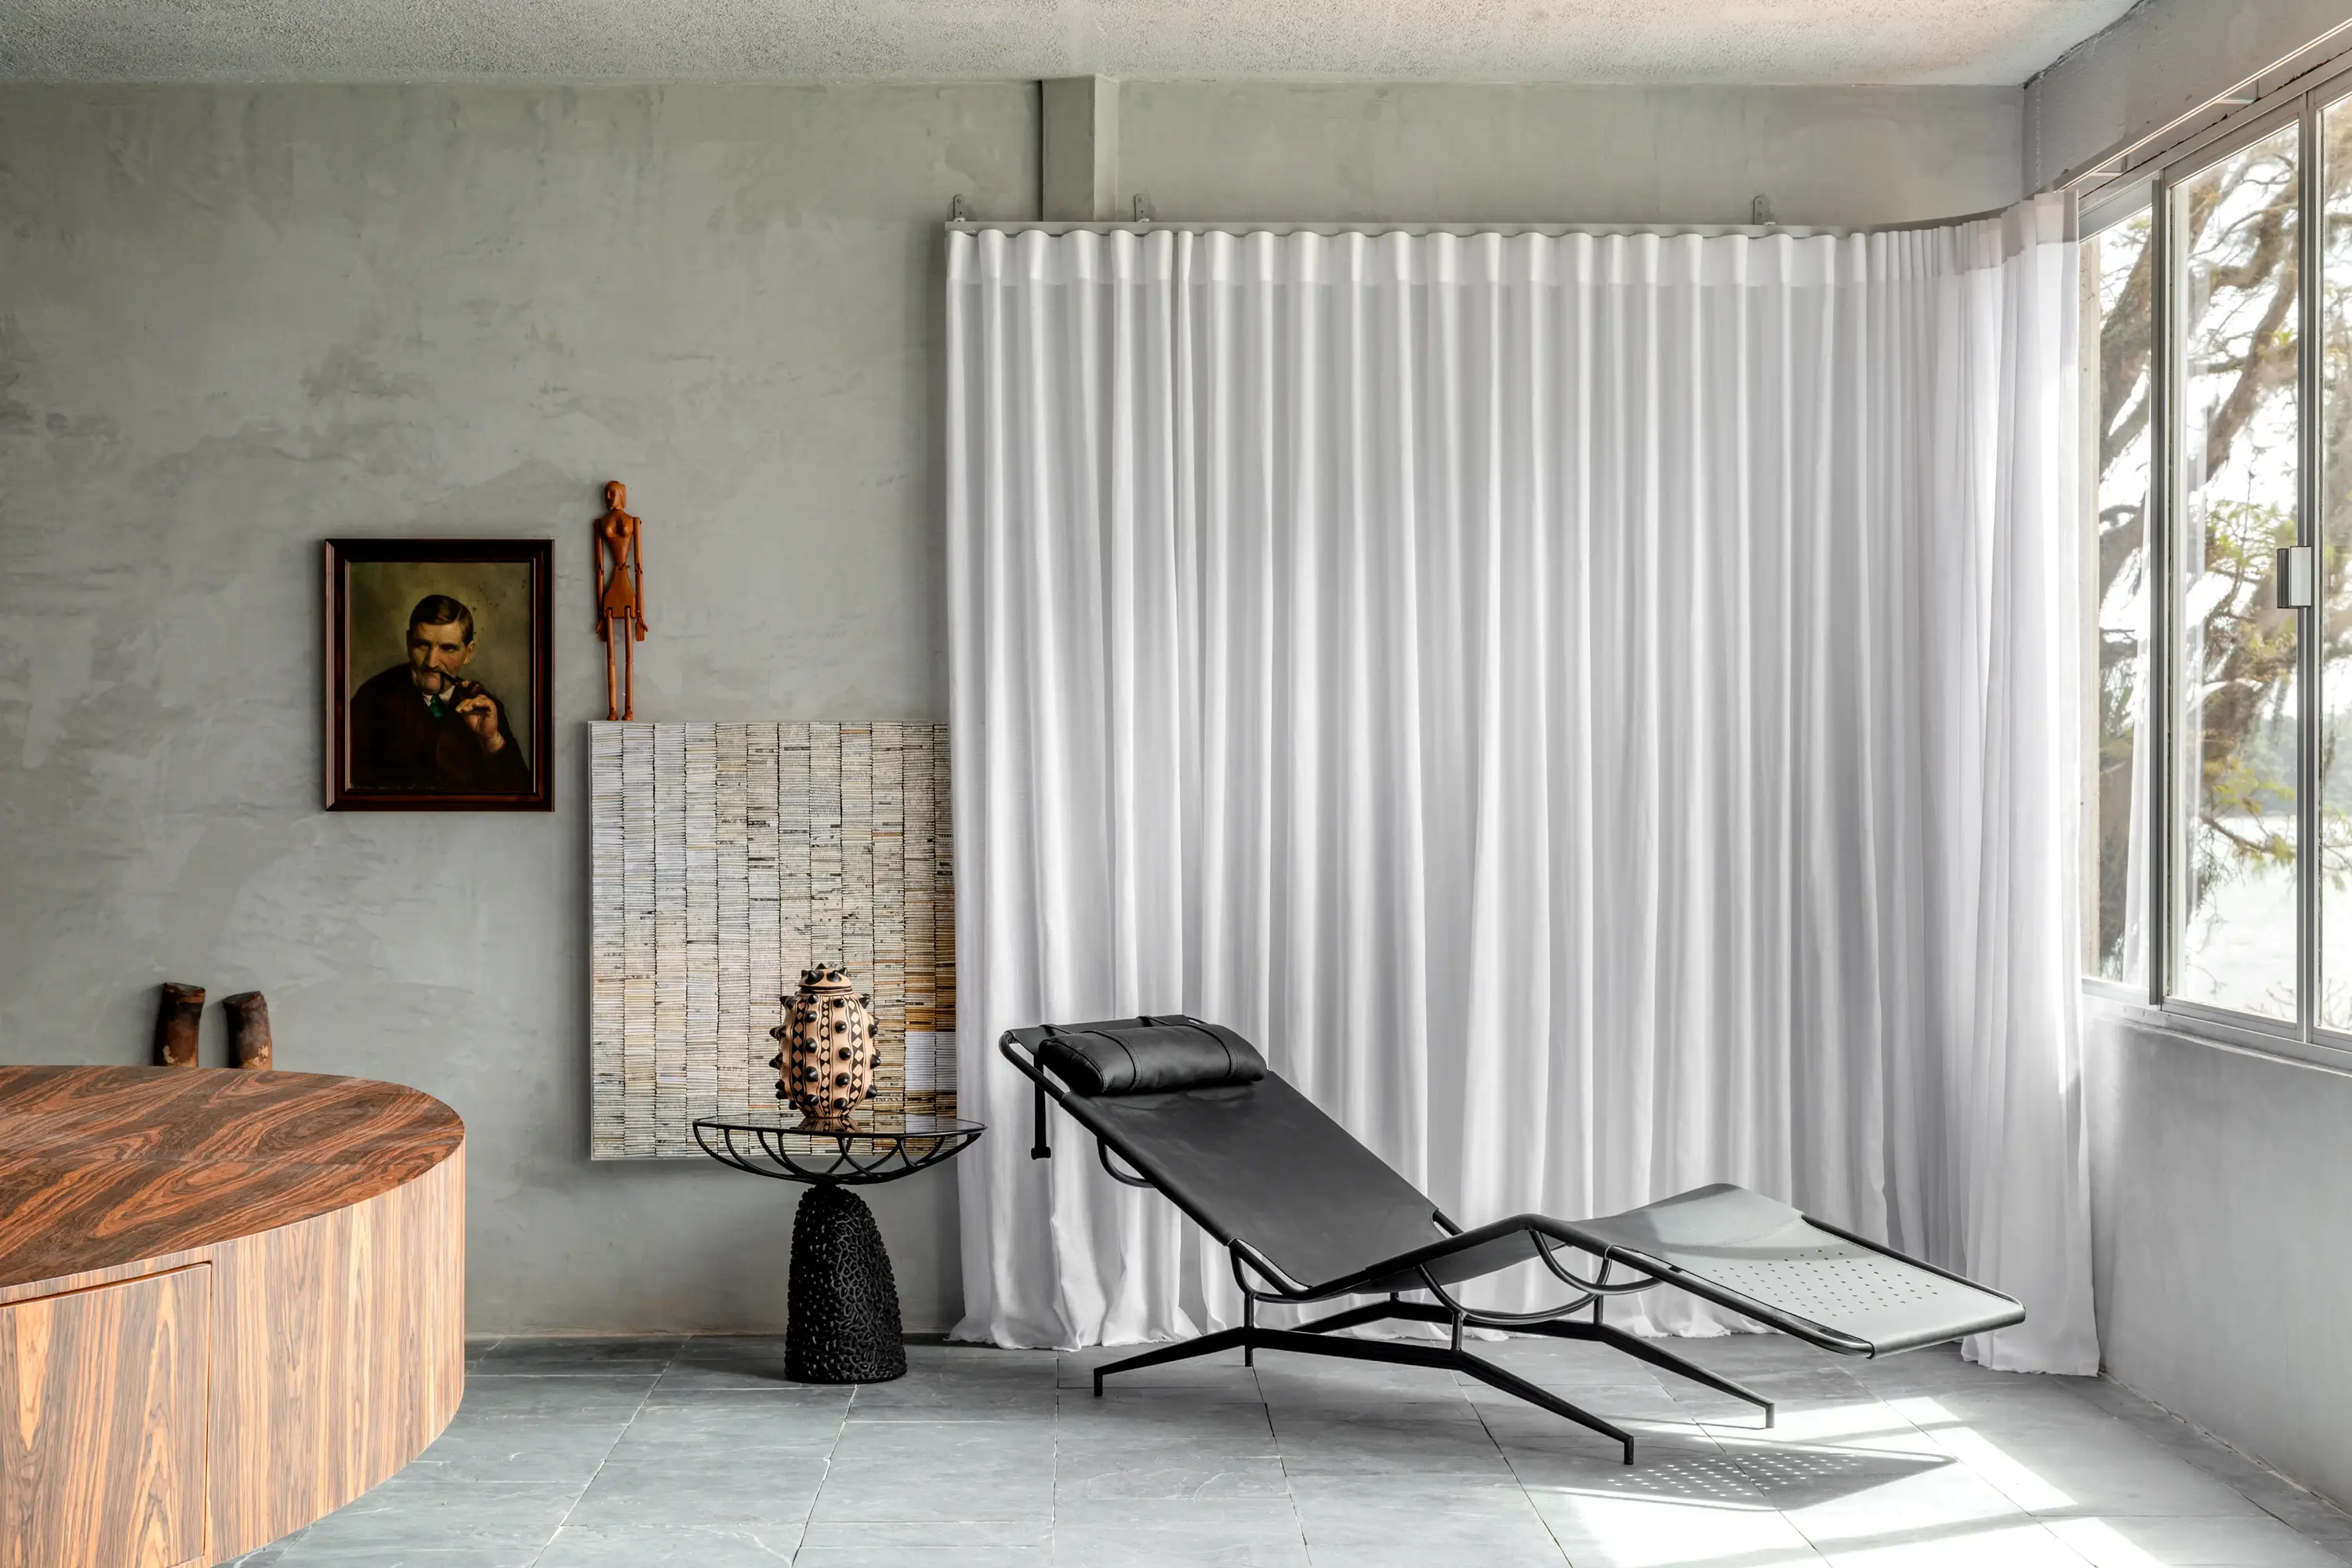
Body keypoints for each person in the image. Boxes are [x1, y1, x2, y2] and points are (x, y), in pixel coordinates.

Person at [350, 593, 531, 792]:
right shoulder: (371, 700)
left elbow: (521, 793)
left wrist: (492, 740)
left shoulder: (485, 708)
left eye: (448, 648)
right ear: (409, 642)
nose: (432, 662)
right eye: (422, 645)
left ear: (469, 653)